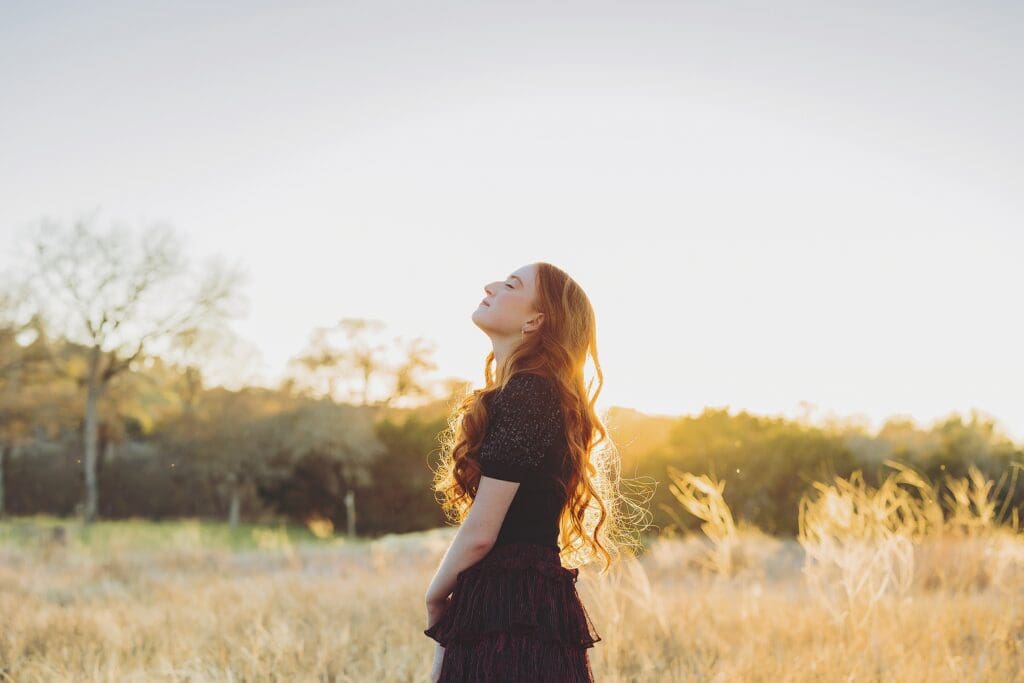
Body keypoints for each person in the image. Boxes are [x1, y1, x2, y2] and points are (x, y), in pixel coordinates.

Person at [424, 261, 631, 682]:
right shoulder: (533, 392)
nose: (490, 285)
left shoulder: (529, 394)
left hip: (511, 606)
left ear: (536, 320)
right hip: (515, 603)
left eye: (511, 284)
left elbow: (482, 533)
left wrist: (434, 596)